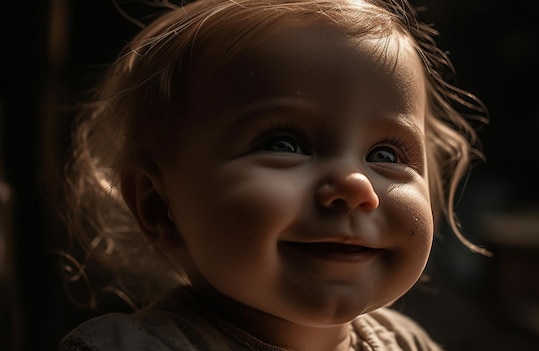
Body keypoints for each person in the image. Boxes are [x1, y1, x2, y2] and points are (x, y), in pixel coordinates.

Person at [59, 0, 490, 349]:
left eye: (385, 153)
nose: (355, 186)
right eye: (285, 145)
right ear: (159, 207)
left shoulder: (409, 343)